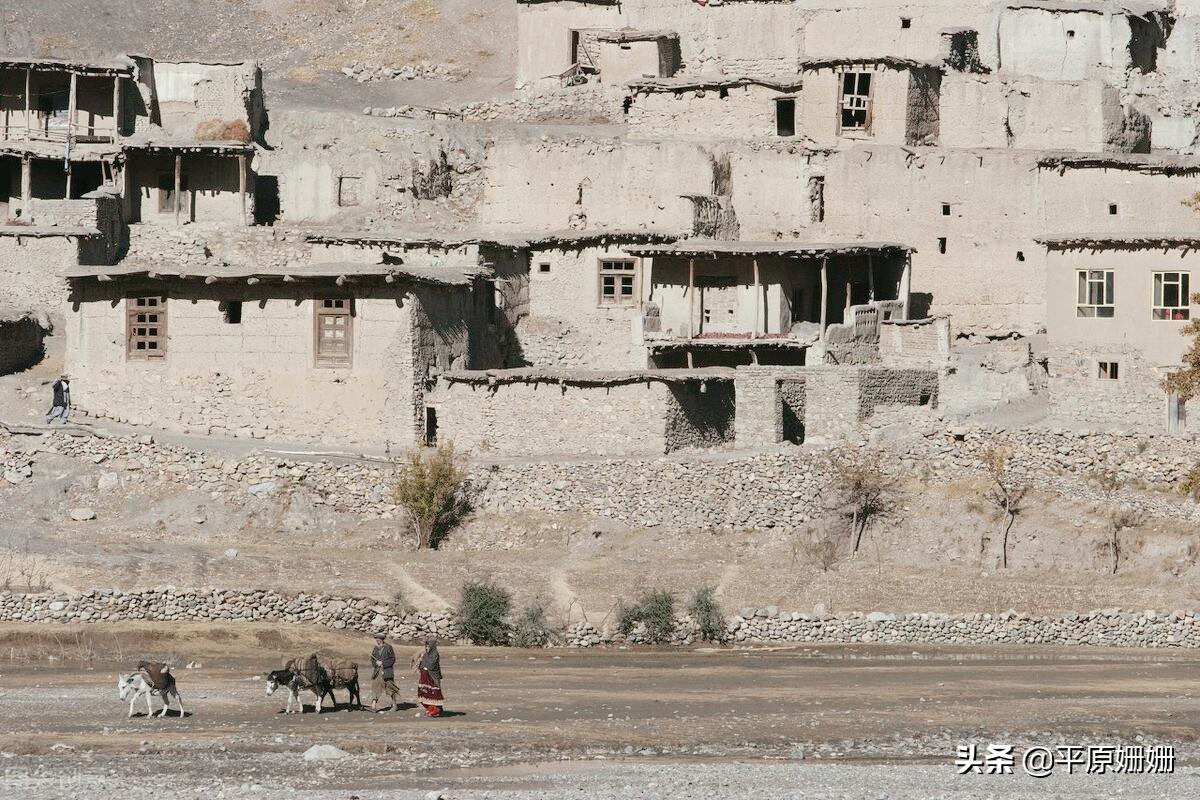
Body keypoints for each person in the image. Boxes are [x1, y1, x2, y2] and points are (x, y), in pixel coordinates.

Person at [412, 637, 444, 717]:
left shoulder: (435, 655)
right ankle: (429, 709)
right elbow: (422, 664)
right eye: (426, 646)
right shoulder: (426, 655)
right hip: (424, 678)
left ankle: (436, 710)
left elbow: (432, 665)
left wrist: (423, 664)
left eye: (428, 646)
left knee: (434, 694)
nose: (427, 648)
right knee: (424, 693)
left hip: (432, 678)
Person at [369, 632, 400, 712]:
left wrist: (383, 663)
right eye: (376, 639)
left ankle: (394, 705)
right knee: (375, 687)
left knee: (390, 688)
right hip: (377, 672)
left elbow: (392, 659)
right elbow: (372, 659)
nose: (377, 641)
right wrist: (376, 663)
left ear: (382, 640)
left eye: (378, 639)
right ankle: (373, 706)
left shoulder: (388, 647)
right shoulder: (375, 648)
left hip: (386, 671)